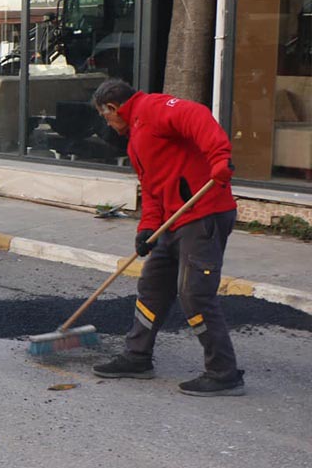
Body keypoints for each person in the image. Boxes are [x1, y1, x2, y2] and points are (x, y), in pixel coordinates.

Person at [90, 78, 244, 397]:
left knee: (195, 293)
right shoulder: (136, 140)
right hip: (173, 221)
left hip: (204, 214)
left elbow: (197, 116)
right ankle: (137, 356)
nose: (106, 123)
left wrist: (219, 158)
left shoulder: (155, 108)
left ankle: (223, 372)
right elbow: (152, 188)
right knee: (153, 286)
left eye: (105, 117)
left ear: (112, 108)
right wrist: (146, 228)